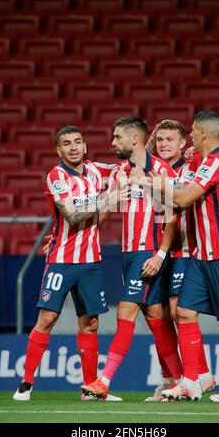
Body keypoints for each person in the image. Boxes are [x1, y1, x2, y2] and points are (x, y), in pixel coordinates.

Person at [138, 110, 219, 402]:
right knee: (184, 312)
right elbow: (182, 183)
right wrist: (185, 164)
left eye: (191, 131)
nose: (189, 136)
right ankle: (191, 381)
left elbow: (183, 197)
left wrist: (157, 185)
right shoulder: (202, 162)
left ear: (203, 134)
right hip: (201, 256)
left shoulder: (218, 162)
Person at [13, 125, 122, 402]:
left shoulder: (97, 171)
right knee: (47, 319)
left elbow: (129, 163)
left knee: (91, 324)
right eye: (66, 143)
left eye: (77, 142)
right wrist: (105, 202)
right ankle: (26, 383)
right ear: (58, 150)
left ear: (85, 146)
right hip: (62, 260)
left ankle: (89, 387)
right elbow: (72, 217)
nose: (73, 147)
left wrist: (146, 143)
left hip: (91, 262)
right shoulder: (56, 177)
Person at [81, 116, 184, 400]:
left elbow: (171, 217)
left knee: (125, 312)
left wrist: (160, 255)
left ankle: (104, 381)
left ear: (134, 139)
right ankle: (182, 379)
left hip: (147, 253)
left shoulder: (160, 170)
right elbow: (105, 210)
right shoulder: (120, 172)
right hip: (127, 253)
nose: (112, 143)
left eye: (117, 137)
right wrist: (75, 234)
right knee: (156, 317)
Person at [143, 119, 215, 401]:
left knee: (178, 311)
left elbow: (177, 208)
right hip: (155, 249)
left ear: (183, 142)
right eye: (160, 140)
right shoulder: (152, 168)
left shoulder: (191, 167)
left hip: (182, 250)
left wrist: (193, 154)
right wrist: (152, 135)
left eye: (170, 139)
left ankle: (198, 375)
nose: (163, 145)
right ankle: (173, 377)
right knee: (157, 315)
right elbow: (134, 153)